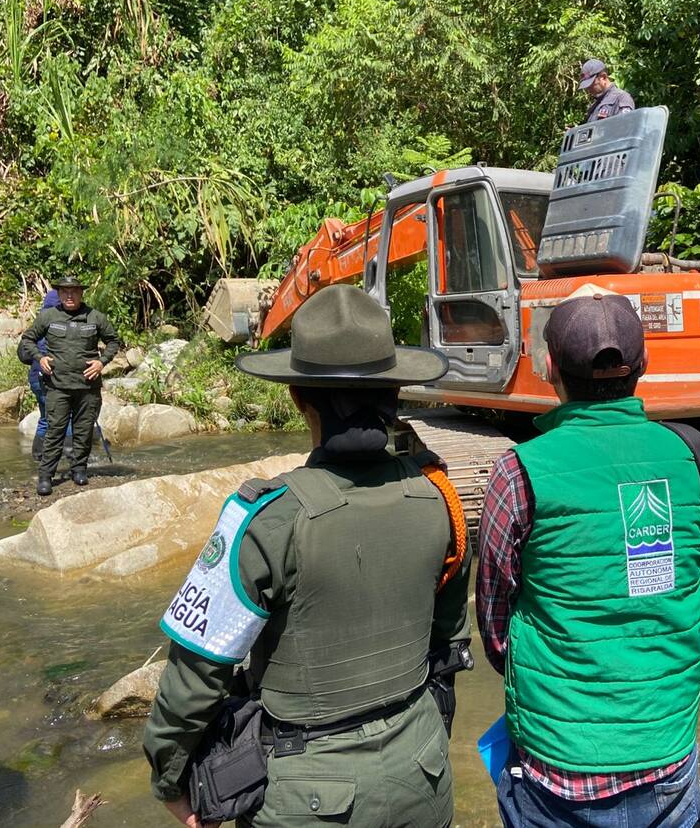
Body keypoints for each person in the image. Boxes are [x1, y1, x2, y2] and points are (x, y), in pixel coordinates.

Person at [143, 284, 471, 828]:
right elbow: (450, 644)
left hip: (308, 796)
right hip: (424, 771)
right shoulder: (441, 501)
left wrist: (169, 779)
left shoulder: (268, 520)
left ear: (298, 397)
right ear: (394, 393)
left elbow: (197, 672)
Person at [478, 291, 700, 828]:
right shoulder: (695, 456)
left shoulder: (518, 471)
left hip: (557, 762)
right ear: (644, 364)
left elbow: (495, 620)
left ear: (550, 366)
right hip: (667, 750)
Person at [17, 276, 119, 496]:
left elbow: (113, 341)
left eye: (74, 291)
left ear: (81, 293)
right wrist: (40, 358)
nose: (69, 296)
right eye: (64, 292)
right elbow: (28, 339)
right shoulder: (48, 316)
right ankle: (46, 476)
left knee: (83, 431)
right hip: (57, 386)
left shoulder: (95, 317)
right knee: (55, 431)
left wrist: (102, 362)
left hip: (87, 387)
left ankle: (79, 470)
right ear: (59, 294)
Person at [27, 288, 61, 461]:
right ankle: (70, 457)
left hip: (35, 377)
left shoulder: (38, 322)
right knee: (66, 416)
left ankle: (38, 455)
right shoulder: (57, 323)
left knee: (45, 417)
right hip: (49, 378)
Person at [579, 58, 635, 122]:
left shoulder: (622, 98)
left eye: (591, 84)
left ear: (603, 77)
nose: (588, 89)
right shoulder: (594, 107)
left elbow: (625, 124)